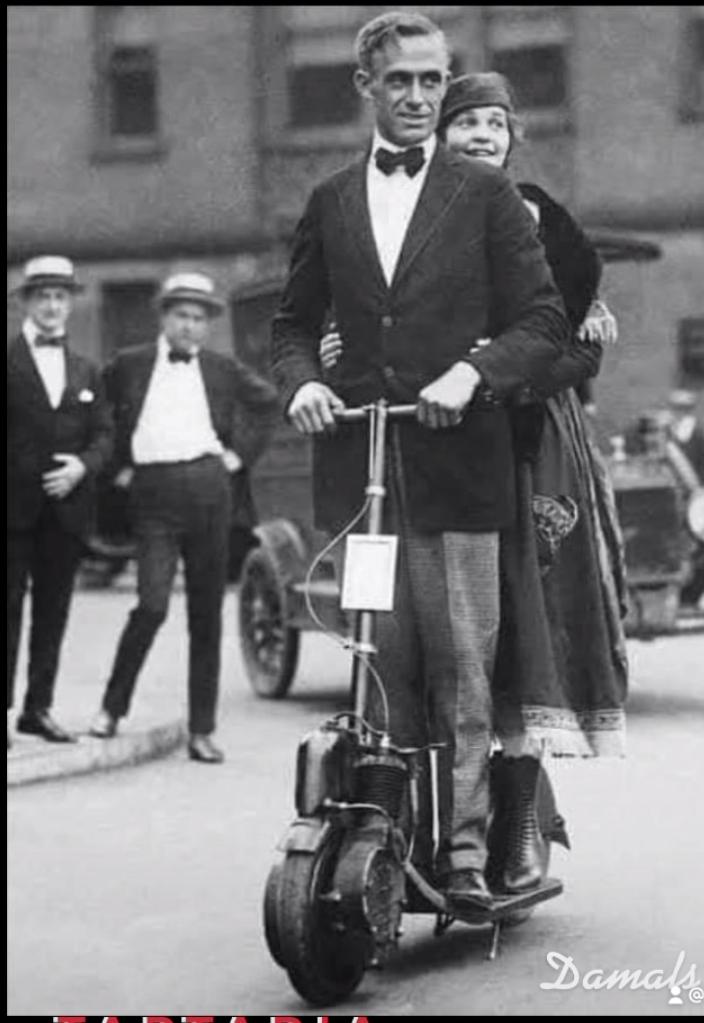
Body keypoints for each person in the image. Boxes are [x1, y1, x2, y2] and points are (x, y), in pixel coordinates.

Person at [271, 11, 597, 911]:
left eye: (430, 80)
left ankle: (463, 855)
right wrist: (303, 382)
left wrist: (472, 373)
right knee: (379, 663)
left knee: (464, 669)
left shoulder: (486, 195)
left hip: (462, 473)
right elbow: (293, 323)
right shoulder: (331, 199)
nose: (417, 97)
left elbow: (544, 319)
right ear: (365, 87)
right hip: (364, 482)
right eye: (399, 81)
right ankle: (382, 836)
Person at [435, 72, 629, 891]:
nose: (482, 135)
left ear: (512, 138)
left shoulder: (544, 218)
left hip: (531, 442)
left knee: (524, 622)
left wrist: (505, 377)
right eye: (466, 123)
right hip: (433, 436)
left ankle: (515, 825)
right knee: (439, 629)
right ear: (439, 136)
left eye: (495, 123)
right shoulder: (412, 218)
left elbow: (584, 343)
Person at [88, 272, 281, 763]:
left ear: (207, 324)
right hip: (152, 495)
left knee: (205, 614)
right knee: (152, 604)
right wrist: (116, 468)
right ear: (164, 317)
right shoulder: (129, 365)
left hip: (210, 491)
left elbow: (268, 403)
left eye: (199, 318)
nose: (190, 326)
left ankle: (201, 730)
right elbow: (98, 414)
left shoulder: (221, 368)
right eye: (181, 315)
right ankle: (111, 708)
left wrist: (239, 456)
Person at [7, 255, 114, 747]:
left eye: (60, 297)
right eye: (42, 297)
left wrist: (81, 467)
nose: (52, 306)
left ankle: (38, 709)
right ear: (26, 304)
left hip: (67, 511)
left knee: (54, 611)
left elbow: (105, 434)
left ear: (70, 304)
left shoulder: (85, 369)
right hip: (13, 510)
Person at [666, 389, 704, 485]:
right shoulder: (665, 429)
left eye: (683, 408)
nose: (679, 411)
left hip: (691, 482)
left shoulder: (697, 433)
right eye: (676, 408)